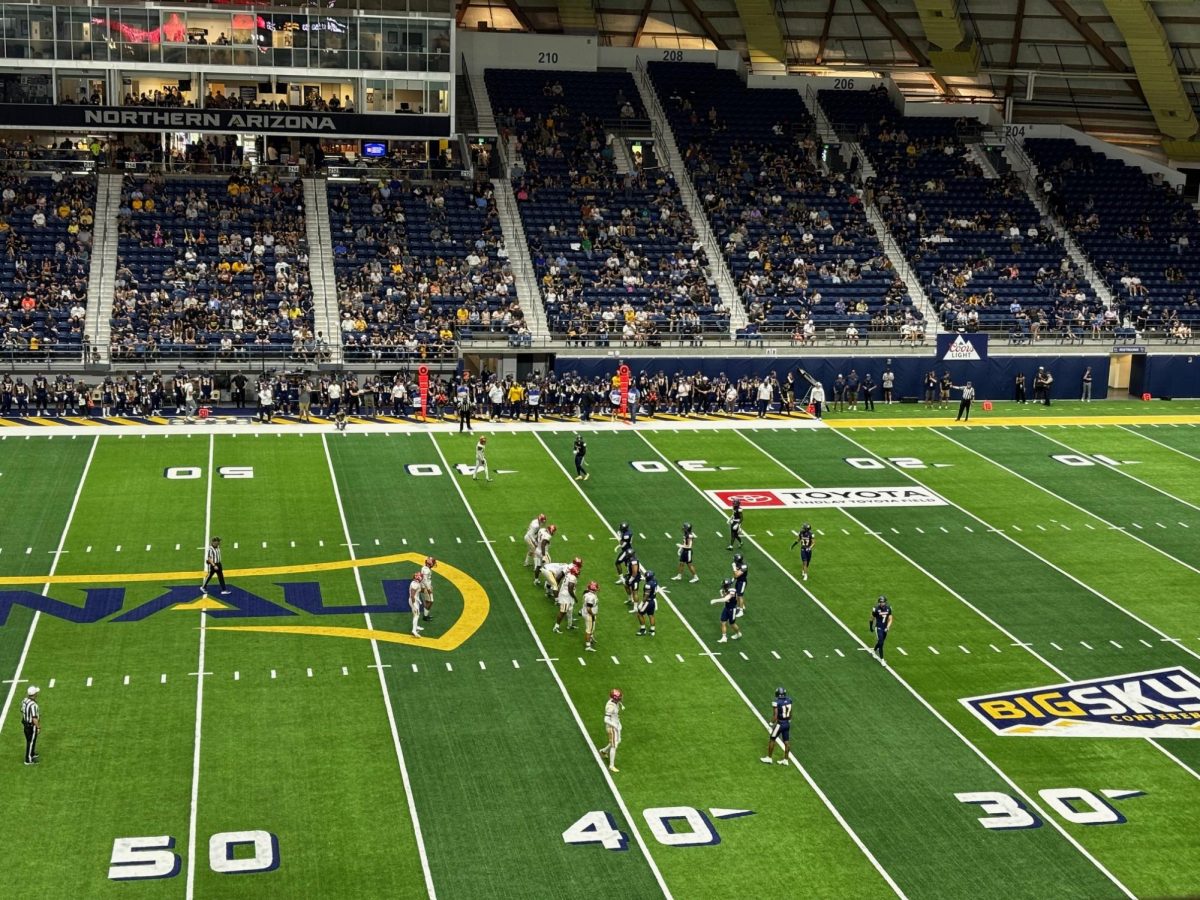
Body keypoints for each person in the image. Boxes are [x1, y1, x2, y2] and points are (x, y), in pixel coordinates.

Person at [760, 686, 791, 766]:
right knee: (786, 742)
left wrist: (770, 723)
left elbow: (775, 715)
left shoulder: (776, 702)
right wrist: (789, 719)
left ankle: (769, 758)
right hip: (787, 723)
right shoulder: (789, 700)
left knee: (772, 738)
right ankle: (786, 759)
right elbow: (790, 712)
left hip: (780, 724)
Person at [598, 689, 623, 773]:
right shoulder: (610, 706)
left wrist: (618, 723)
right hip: (611, 727)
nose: (620, 699)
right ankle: (611, 766)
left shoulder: (615, 702)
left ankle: (603, 751)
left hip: (615, 724)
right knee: (614, 745)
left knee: (617, 741)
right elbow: (606, 719)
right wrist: (615, 725)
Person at [711, 578, 742, 643]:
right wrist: (722, 594)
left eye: (725, 585)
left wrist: (715, 600)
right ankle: (724, 637)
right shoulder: (726, 590)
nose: (723, 586)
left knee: (732, 624)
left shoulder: (732, 590)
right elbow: (725, 599)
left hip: (732, 609)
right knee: (723, 622)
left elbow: (725, 599)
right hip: (726, 608)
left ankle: (738, 633)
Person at [552, 562, 580, 633]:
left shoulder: (569, 574)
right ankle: (556, 626)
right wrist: (575, 597)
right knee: (563, 612)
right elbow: (570, 588)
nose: (578, 574)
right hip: (566, 596)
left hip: (566, 594)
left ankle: (570, 625)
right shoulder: (572, 577)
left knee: (570, 610)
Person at [870, 595, 893, 666]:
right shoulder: (876, 609)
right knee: (881, 642)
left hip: (885, 628)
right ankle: (882, 660)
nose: (881, 603)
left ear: (885, 602)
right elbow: (871, 618)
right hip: (879, 627)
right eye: (880, 602)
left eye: (883, 602)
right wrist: (871, 627)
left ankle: (874, 651)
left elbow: (890, 619)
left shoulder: (888, 608)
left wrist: (888, 627)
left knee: (881, 642)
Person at [635, 570, 658, 637]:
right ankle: (652, 630)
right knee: (651, 615)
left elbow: (646, 595)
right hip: (653, 600)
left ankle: (643, 630)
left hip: (648, 601)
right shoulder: (655, 581)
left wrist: (642, 603)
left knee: (639, 614)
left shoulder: (648, 585)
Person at [21, 685, 40, 765]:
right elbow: (34, 718)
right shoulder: (33, 705)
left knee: (31, 740)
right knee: (30, 742)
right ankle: (28, 760)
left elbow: (21, 710)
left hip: (25, 723)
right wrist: (38, 727)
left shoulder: (24, 700)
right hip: (31, 726)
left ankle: (32, 753)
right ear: (34, 694)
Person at [582, 580, 599, 652]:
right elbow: (589, 608)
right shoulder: (591, 597)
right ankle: (588, 645)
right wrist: (592, 614)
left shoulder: (587, 593)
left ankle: (591, 638)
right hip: (589, 614)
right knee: (589, 629)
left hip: (586, 612)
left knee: (592, 628)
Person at [419, 556, 436, 621]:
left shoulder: (424, 568)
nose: (434, 564)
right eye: (433, 562)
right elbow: (425, 581)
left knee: (427, 601)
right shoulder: (426, 570)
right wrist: (429, 590)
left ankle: (426, 614)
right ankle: (425, 617)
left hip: (425, 586)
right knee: (431, 601)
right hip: (426, 587)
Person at [409, 571, 425, 637]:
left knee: (415, 614)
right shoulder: (415, 584)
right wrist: (414, 605)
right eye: (420, 576)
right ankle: (414, 630)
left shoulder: (417, 583)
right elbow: (412, 595)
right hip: (414, 601)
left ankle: (416, 626)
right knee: (417, 615)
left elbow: (421, 590)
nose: (421, 577)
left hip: (415, 600)